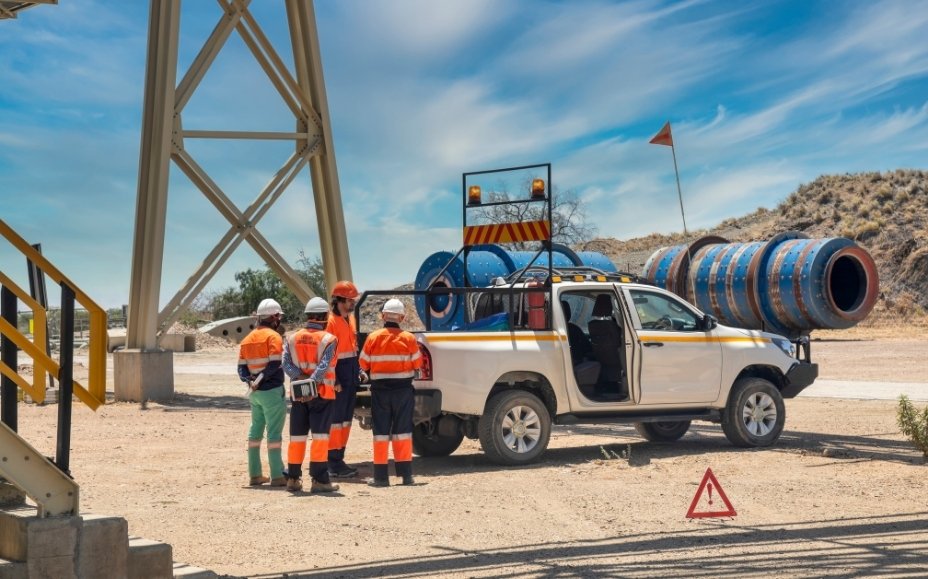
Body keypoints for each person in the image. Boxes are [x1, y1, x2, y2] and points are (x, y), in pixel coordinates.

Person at [359, 298, 422, 487]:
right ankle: (406, 476)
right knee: (403, 431)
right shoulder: (409, 338)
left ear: (383, 316)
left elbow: (363, 364)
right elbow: (417, 364)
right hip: (403, 391)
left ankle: (380, 477)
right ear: (401, 318)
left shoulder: (373, 337)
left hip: (380, 392)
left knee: (381, 433)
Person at [281, 297, 341, 493]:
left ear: (308, 316)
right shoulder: (329, 339)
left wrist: (301, 381)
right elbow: (324, 367)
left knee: (297, 438)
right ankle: (320, 480)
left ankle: (293, 479)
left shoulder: (291, 338)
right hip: (321, 395)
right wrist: (312, 386)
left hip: (298, 396)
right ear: (324, 316)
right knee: (320, 438)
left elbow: (287, 364)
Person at [237, 298, 288, 487]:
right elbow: (275, 364)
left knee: (255, 431)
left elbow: (241, 369)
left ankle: (255, 474)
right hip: (272, 391)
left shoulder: (247, 339)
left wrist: (251, 381)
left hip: (255, 393)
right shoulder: (273, 337)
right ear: (274, 317)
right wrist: (262, 378)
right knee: (274, 434)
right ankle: (277, 475)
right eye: (278, 317)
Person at [324, 280, 362, 478]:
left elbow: (352, 348)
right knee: (336, 420)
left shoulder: (350, 319)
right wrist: (335, 379)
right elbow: (328, 354)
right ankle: (332, 461)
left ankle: (338, 458)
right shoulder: (330, 322)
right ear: (339, 300)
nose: (352, 303)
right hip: (339, 374)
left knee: (345, 420)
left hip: (351, 372)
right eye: (349, 300)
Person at [561, 300, 593, 366]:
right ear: (568, 313)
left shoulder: (562, 329)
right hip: (576, 363)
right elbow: (588, 347)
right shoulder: (573, 329)